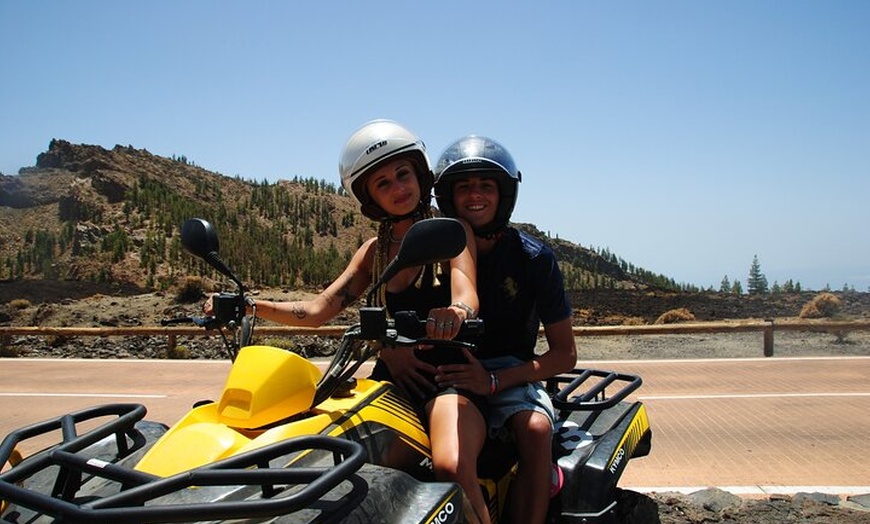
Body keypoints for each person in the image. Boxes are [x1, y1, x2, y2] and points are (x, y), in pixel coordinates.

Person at [205, 120, 492, 524]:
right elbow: (320, 309)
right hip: (388, 380)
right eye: (383, 183)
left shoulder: (449, 231)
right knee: (324, 448)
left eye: (403, 174)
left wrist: (455, 315)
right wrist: (253, 306)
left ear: (419, 173)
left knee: (451, 466)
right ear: (370, 197)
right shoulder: (374, 252)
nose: (398, 188)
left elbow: (466, 292)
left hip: (446, 379)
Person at [432, 135, 578, 524]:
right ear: (448, 196)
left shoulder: (534, 259)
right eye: (463, 186)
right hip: (450, 376)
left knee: (533, 430)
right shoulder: (434, 252)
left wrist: (495, 381)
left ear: (504, 194)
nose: (474, 195)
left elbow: (565, 354)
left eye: (486, 185)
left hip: (513, 376)